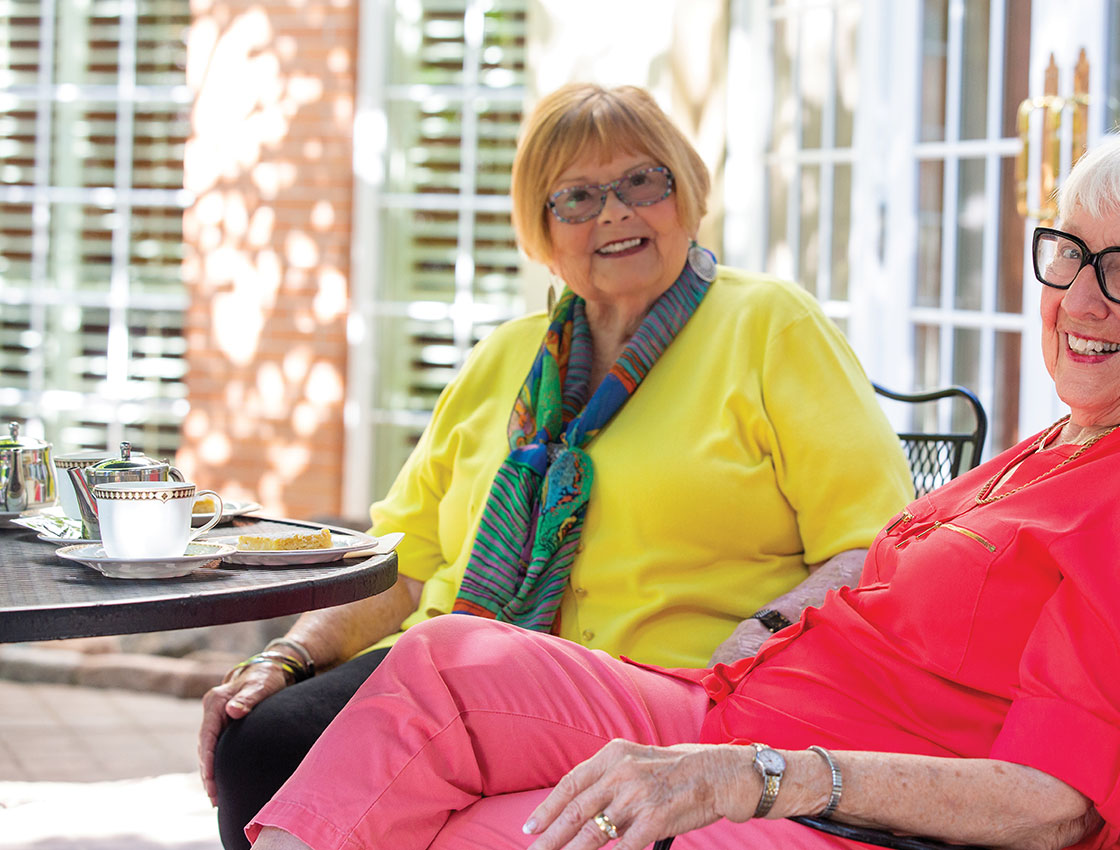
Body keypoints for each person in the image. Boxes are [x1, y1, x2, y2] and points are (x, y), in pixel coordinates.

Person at [243, 125, 1120, 850]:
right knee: (444, 661)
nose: (1081, 299)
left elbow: (1053, 802)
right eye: (1070, 255)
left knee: (493, 829)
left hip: (854, 817)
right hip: (744, 715)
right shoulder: (1086, 439)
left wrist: (760, 776)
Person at [200, 83, 914, 849]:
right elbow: (400, 562)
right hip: (461, 672)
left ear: (687, 192)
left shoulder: (769, 324)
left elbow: (876, 545)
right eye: (577, 197)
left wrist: (766, 629)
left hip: (669, 689)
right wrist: (288, 655)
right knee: (260, 741)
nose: (615, 213)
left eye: (642, 181)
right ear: (541, 229)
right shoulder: (504, 357)